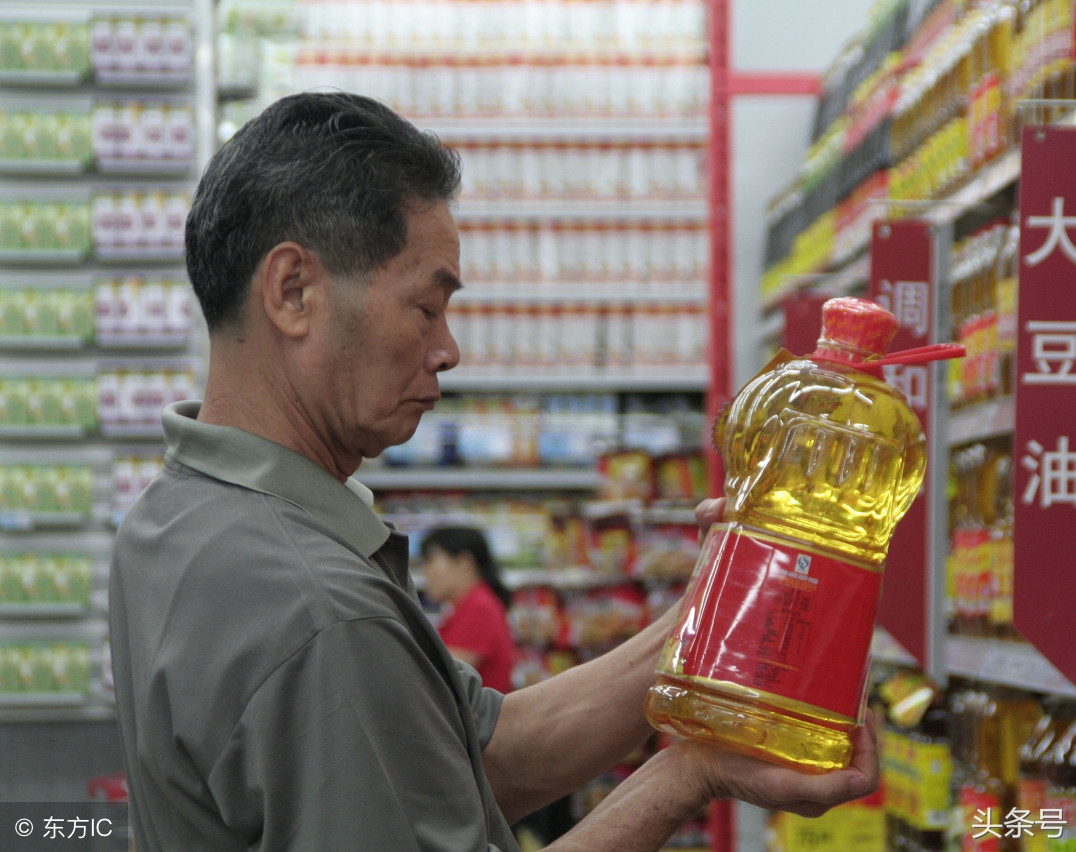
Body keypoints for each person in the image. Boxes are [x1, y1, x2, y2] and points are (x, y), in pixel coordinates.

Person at [108, 90, 878, 852]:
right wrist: (691, 775)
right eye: (426, 306)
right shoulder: (322, 611)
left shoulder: (173, 519)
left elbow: (470, 759)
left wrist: (713, 610)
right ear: (293, 291)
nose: (449, 349)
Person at [419, 527, 515, 693]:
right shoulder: (469, 605)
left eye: (431, 561)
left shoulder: (479, 608)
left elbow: (438, 677)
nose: (426, 572)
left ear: (464, 563)